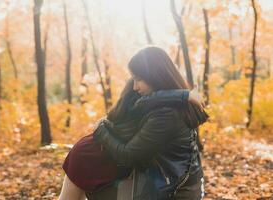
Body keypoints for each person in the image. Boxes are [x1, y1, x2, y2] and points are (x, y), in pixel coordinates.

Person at [59, 46, 208, 200]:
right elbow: (141, 104)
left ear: (155, 77)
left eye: (138, 79)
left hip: (172, 193)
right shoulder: (171, 105)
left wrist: (100, 128)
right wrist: (183, 95)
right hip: (171, 185)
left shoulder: (166, 115)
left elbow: (127, 155)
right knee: (82, 168)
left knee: (81, 176)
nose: (135, 86)